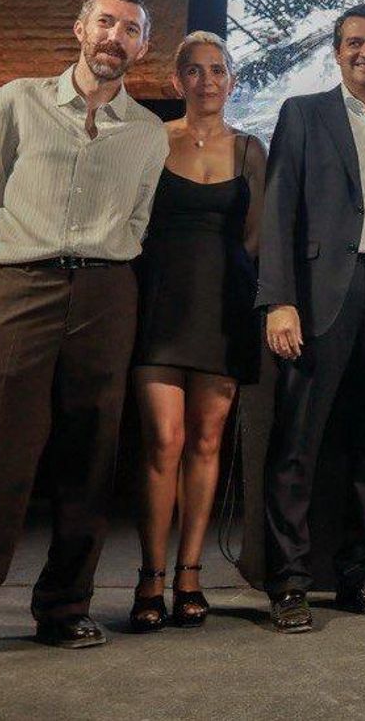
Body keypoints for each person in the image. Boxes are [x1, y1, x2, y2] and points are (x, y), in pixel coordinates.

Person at [0, 0, 168, 666]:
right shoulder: (19, 99)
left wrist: (98, 269)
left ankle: (65, 607)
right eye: (106, 22)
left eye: (130, 29)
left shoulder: (148, 132)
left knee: (90, 450)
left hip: (107, 291)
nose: (115, 36)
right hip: (22, 283)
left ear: (142, 48)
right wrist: (16, 259)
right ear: (79, 28)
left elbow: (138, 218)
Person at [257, 4, 365, 634]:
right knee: (298, 446)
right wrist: (278, 298)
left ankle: (361, 576)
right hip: (318, 296)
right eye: (356, 42)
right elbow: (277, 210)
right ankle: (289, 584)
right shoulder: (303, 114)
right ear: (336, 51)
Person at [127, 32, 266, 632]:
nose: (207, 80)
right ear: (177, 80)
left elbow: (259, 240)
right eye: (194, 70)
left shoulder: (250, 150)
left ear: (231, 80)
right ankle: (149, 578)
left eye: (218, 70)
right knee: (164, 440)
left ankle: (189, 577)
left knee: (207, 442)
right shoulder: (149, 141)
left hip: (224, 310)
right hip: (159, 305)